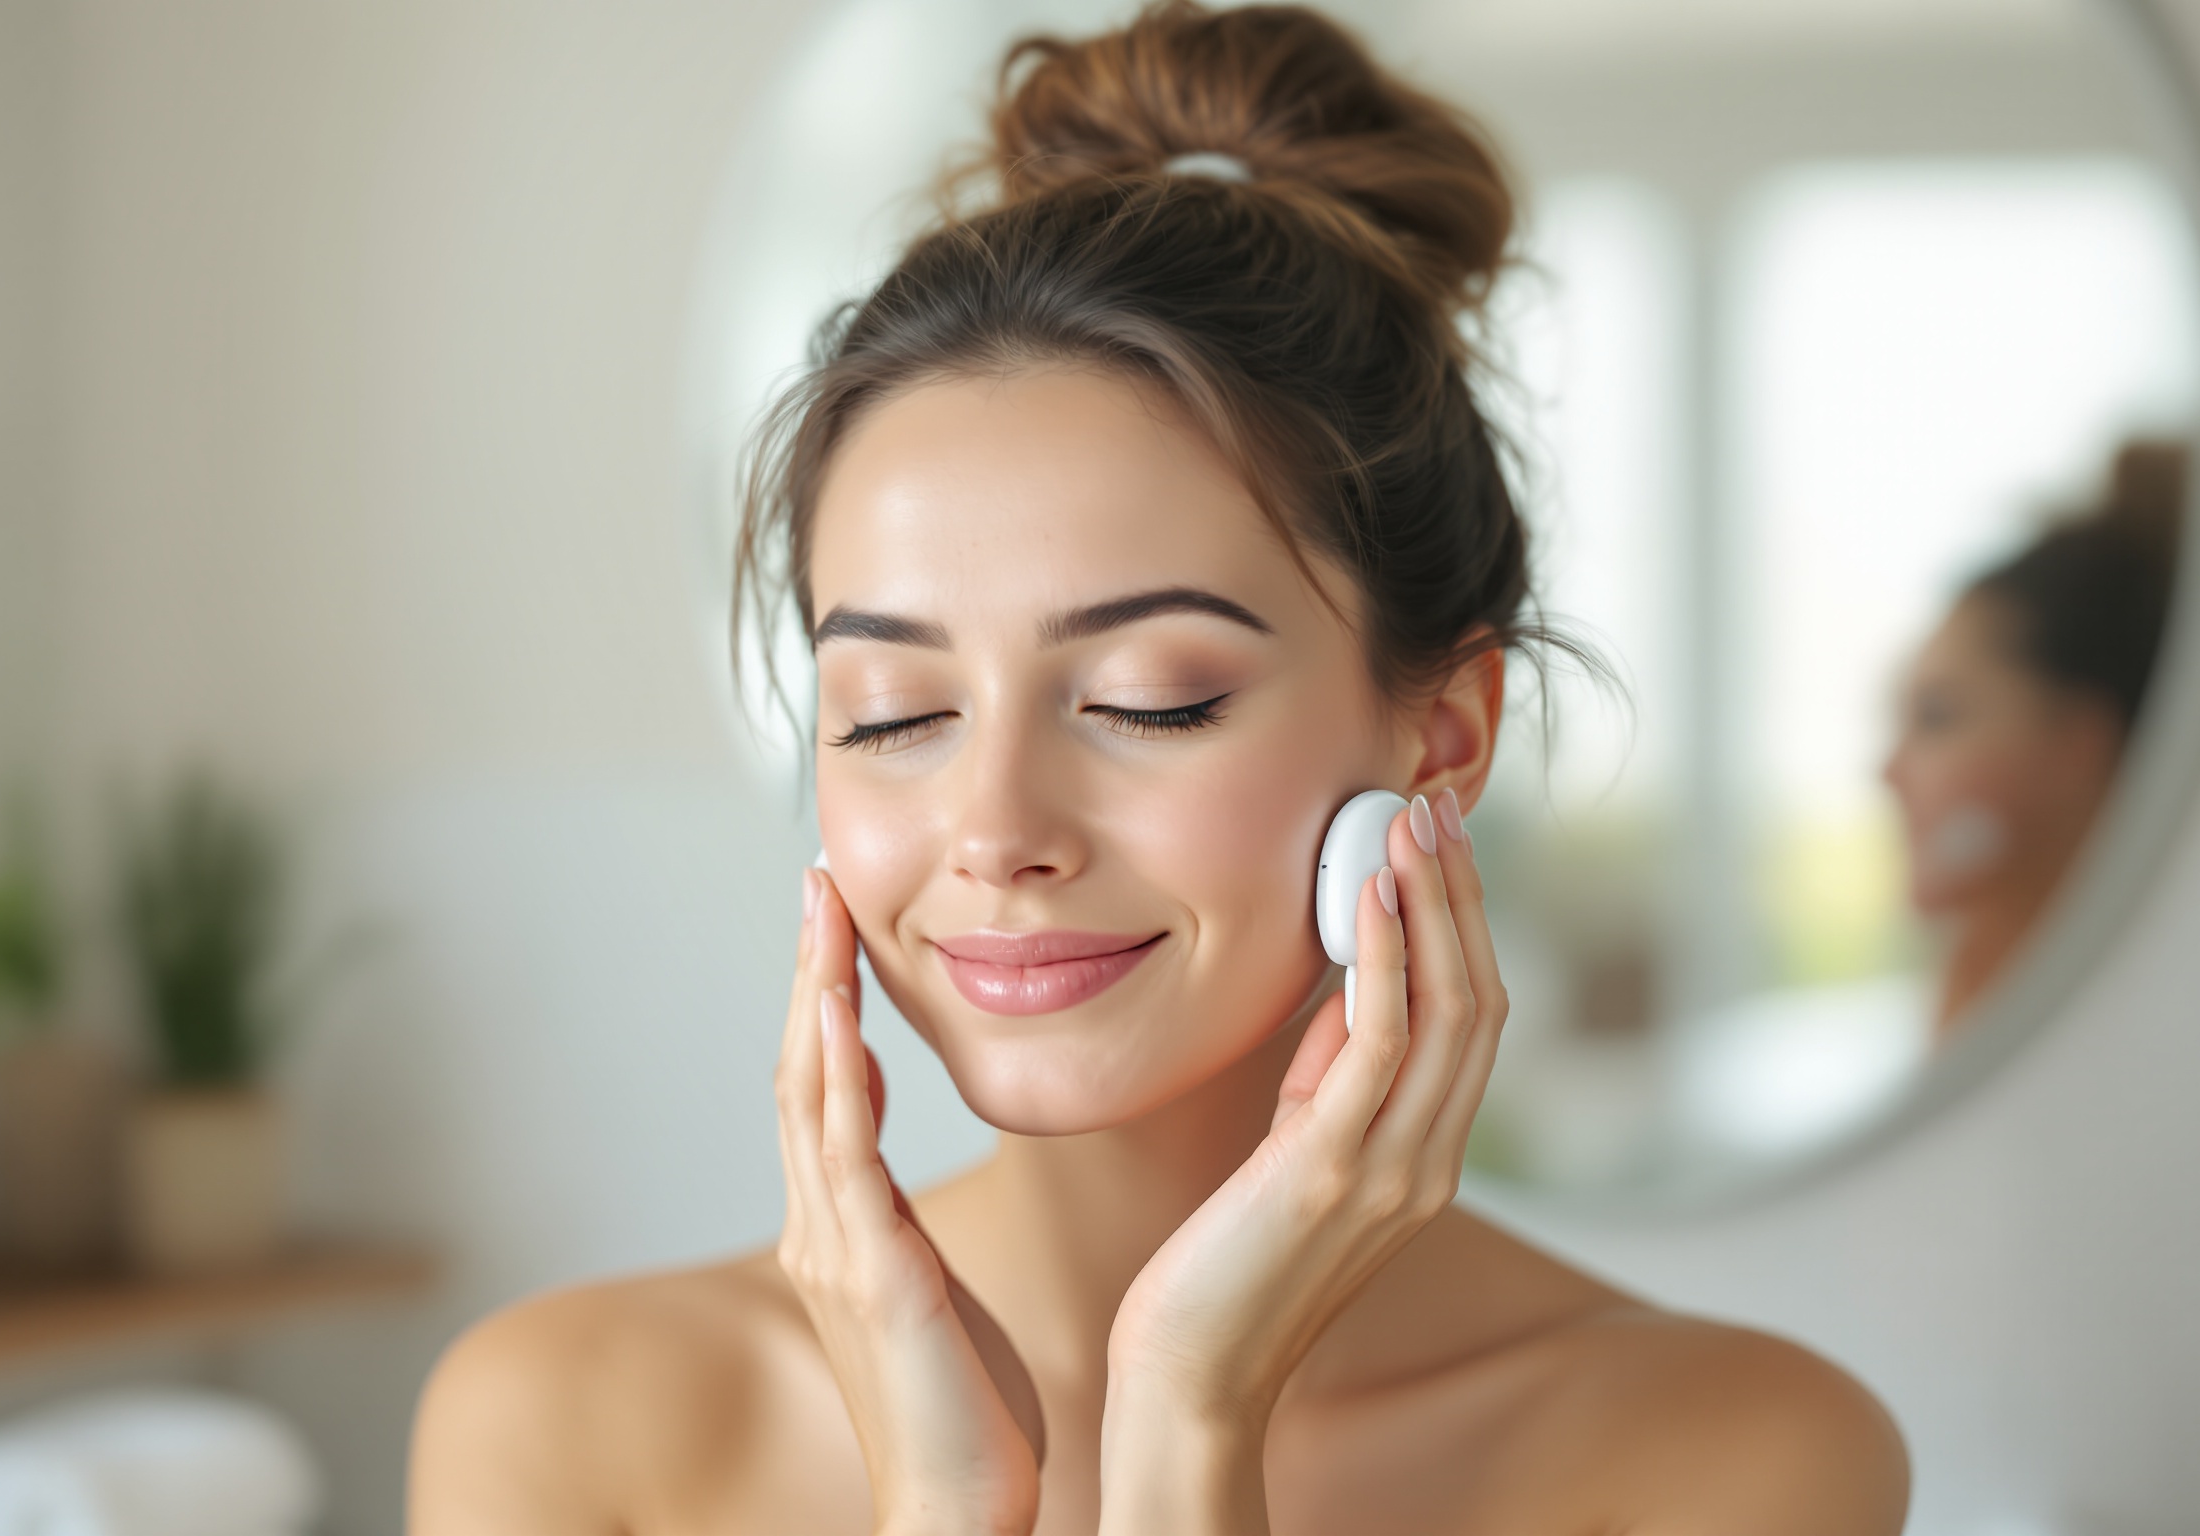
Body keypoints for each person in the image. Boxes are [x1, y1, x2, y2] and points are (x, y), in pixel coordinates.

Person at [412, 5, 1907, 1530]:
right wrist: (942, 1499)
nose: (996, 828)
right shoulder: (568, 1426)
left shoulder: (1730, 1459)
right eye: (892, 713)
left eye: (1152, 700)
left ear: (1445, 738)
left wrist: (1192, 1415)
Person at [1885, 440, 2184, 1036]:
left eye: (1938, 718)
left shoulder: (2178, 1006)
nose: (1888, 771)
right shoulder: (1979, 979)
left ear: (2081, 741)